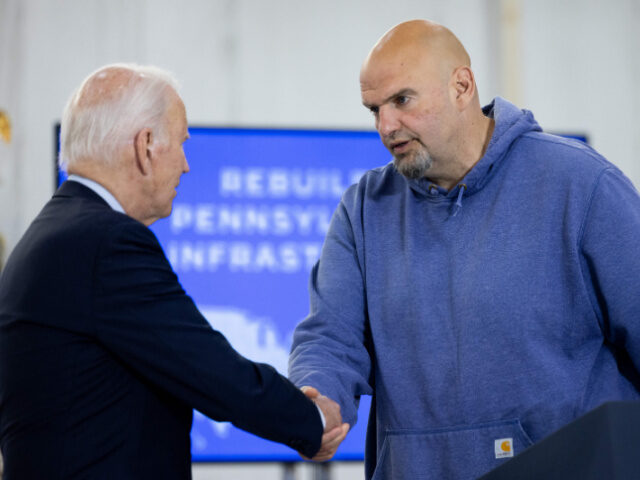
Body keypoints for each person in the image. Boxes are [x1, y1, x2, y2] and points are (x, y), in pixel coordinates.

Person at [289, 19, 640, 480]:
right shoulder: (363, 210)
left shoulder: (583, 187)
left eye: (401, 100)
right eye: (374, 109)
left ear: (461, 86)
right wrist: (317, 399)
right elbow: (330, 338)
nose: (386, 125)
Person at [0, 64, 347, 480]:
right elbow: (211, 370)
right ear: (145, 146)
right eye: (182, 144)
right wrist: (312, 421)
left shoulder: (54, 232)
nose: (185, 165)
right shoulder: (107, 242)